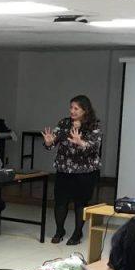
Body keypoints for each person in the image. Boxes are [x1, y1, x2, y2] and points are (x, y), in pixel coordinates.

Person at [41, 95, 103, 246]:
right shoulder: (64, 123)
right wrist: (48, 142)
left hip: (85, 172)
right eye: (71, 108)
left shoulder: (93, 125)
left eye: (76, 108)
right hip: (64, 170)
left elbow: (94, 147)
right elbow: (52, 142)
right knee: (60, 202)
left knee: (80, 203)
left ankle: (77, 233)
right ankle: (59, 231)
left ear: (85, 110)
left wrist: (80, 142)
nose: (72, 111)